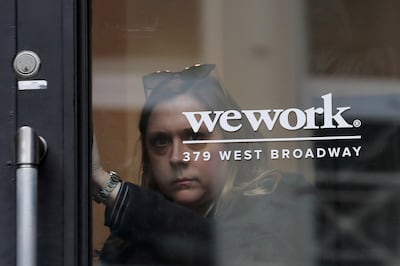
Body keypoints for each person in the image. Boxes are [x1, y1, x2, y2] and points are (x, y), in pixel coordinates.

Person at [92, 64, 315, 266]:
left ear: (231, 143)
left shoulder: (283, 199)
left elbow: (240, 253)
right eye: (161, 142)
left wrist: (114, 190)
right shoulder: (130, 238)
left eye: (196, 137)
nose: (177, 157)